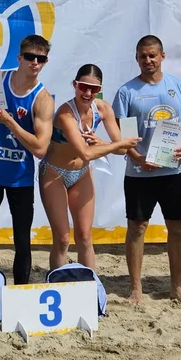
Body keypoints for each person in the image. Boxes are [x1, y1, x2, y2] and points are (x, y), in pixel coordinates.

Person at [112, 34, 181, 304]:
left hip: (175, 172)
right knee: (137, 227)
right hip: (140, 172)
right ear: (136, 58)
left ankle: (177, 287)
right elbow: (123, 135)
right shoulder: (127, 92)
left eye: (152, 55)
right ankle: (136, 288)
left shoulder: (180, 87)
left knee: (178, 228)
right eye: (142, 56)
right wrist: (137, 158)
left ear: (162, 56)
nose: (147, 60)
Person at [0, 35, 54, 285]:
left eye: (41, 58)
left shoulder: (43, 98)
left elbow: (40, 148)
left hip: (20, 179)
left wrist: (9, 122)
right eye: (30, 57)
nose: (35, 62)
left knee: (22, 239)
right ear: (19, 58)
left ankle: (21, 294)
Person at [39, 64, 139, 271]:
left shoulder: (102, 108)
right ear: (75, 85)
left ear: (99, 89)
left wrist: (103, 143)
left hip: (81, 173)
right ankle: (59, 283)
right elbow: (87, 152)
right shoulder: (66, 113)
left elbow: (120, 150)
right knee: (63, 237)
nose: (87, 93)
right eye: (83, 87)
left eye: (93, 89)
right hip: (54, 172)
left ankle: (90, 286)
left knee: (85, 236)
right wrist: (117, 144)